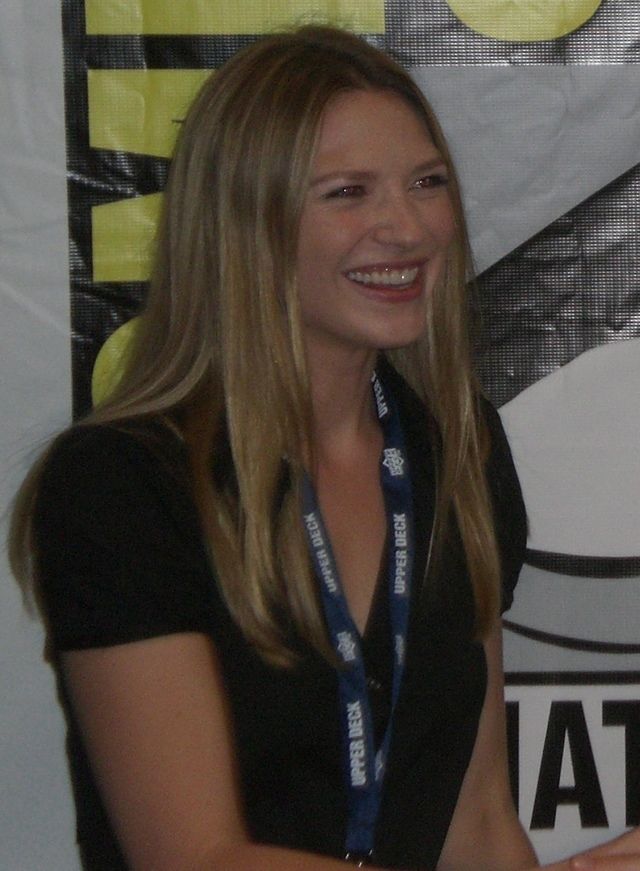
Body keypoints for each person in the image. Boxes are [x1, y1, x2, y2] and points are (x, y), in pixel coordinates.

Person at [8, 24, 639, 871]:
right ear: (245, 221)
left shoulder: (459, 452)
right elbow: (196, 858)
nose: (406, 227)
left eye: (427, 182)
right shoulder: (123, 483)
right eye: (348, 193)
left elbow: (479, 824)